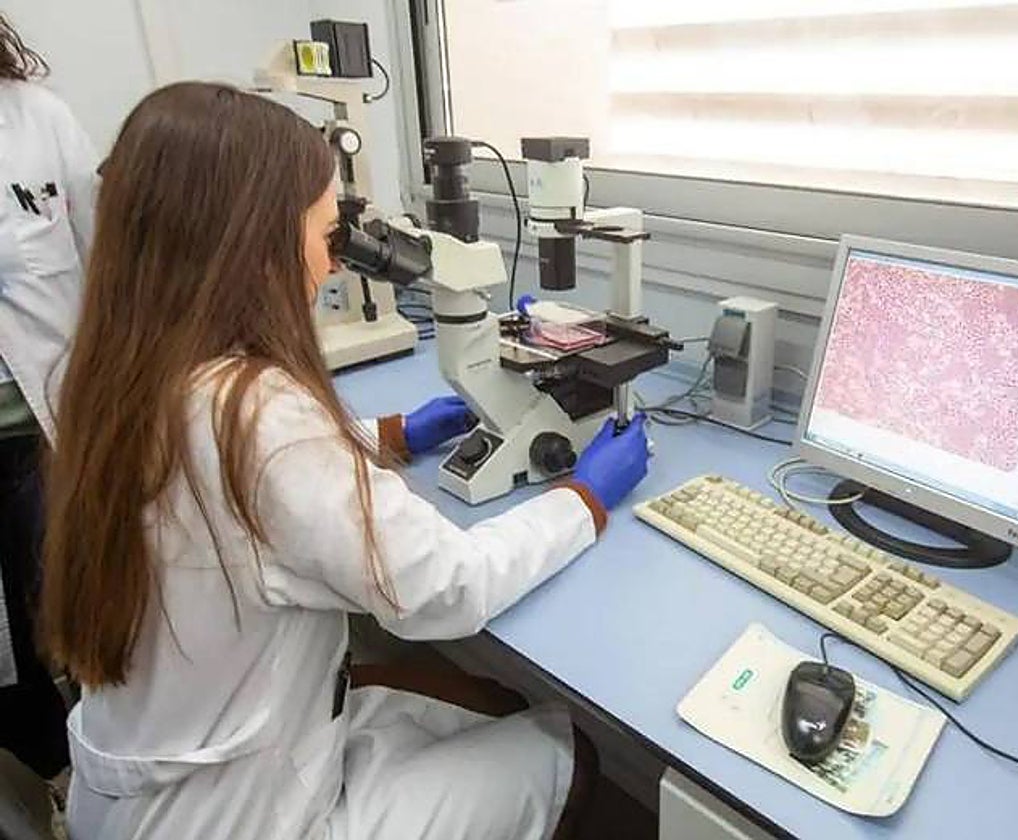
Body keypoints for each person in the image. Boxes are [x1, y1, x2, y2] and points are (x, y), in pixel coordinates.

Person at [39, 81, 651, 840]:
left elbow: (218, 494)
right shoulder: (258, 417)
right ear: (254, 242)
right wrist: (586, 500)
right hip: (239, 817)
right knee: (565, 747)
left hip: (151, 781)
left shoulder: (106, 371)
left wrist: (389, 434)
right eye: (328, 234)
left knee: (490, 704)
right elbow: (451, 585)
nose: (333, 264)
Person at [0, 14, 97, 780]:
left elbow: (104, 260)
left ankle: (71, 773)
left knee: (59, 608)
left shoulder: (39, 118)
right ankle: (31, 771)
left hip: (45, 422)